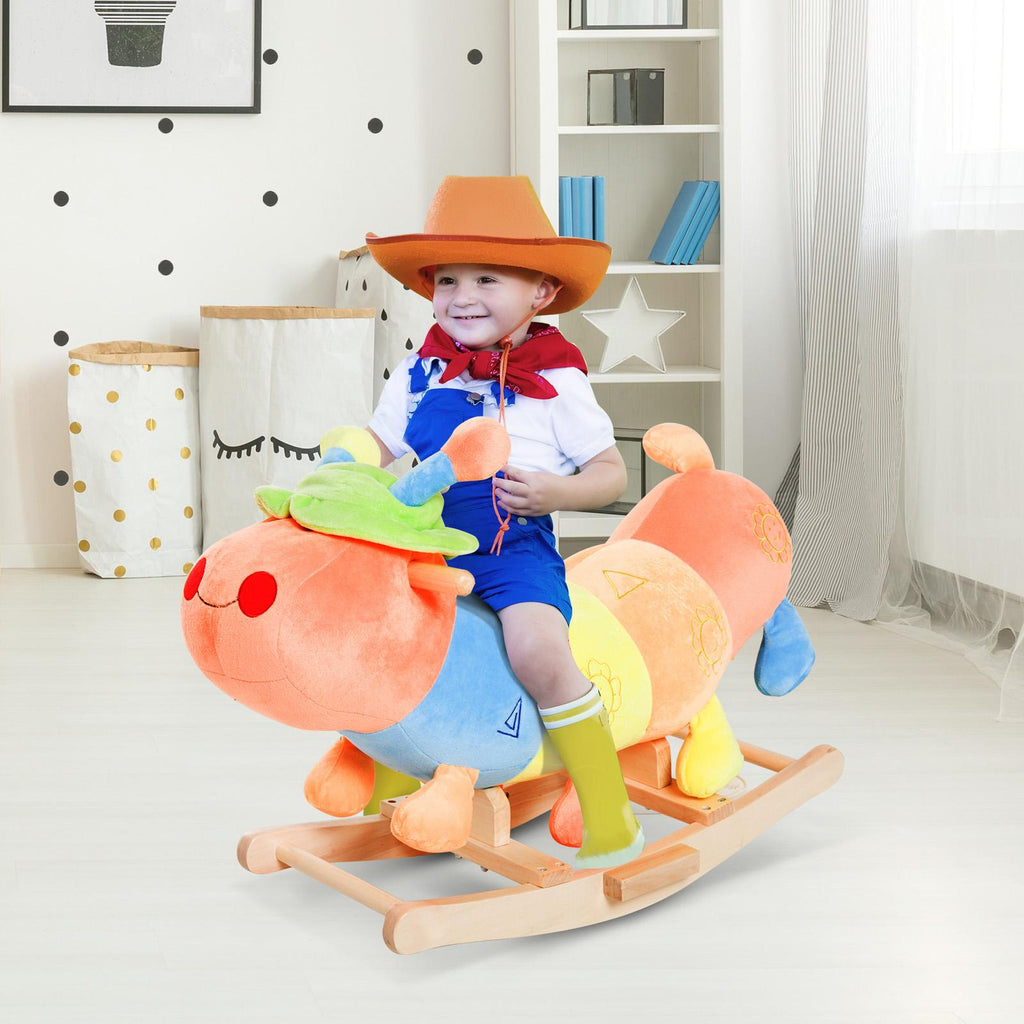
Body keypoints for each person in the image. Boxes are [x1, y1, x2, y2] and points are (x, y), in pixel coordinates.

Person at [363, 175, 644, 869]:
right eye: (447, 280)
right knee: (375, 642)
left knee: (537, 651)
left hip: (510, 545)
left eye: (486, 278)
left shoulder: (557, 379)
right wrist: (341, 476)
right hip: (425, 544)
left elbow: (612, 472)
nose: (462, 296)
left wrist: (556, 492)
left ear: (541, 291)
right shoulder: (421, 369)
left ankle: (608, 807)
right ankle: (390, 787)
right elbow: (376, 449)